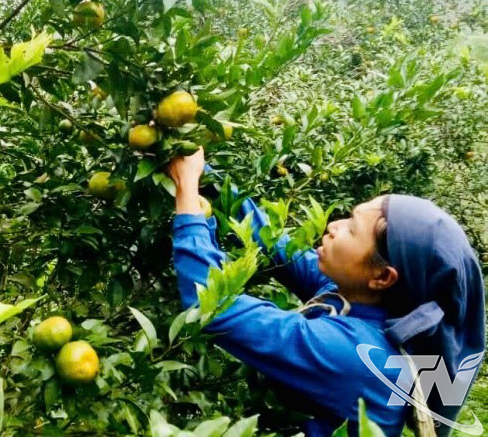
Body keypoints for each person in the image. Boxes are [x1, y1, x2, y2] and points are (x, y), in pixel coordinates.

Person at [168, 147, 485, 437]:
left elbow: (211, 303)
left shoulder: (358, 355)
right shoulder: (360, 297)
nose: (334, 225)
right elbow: (272, 243)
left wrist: (186, 191)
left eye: (351, 229)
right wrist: (201, 171)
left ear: (382, 277)